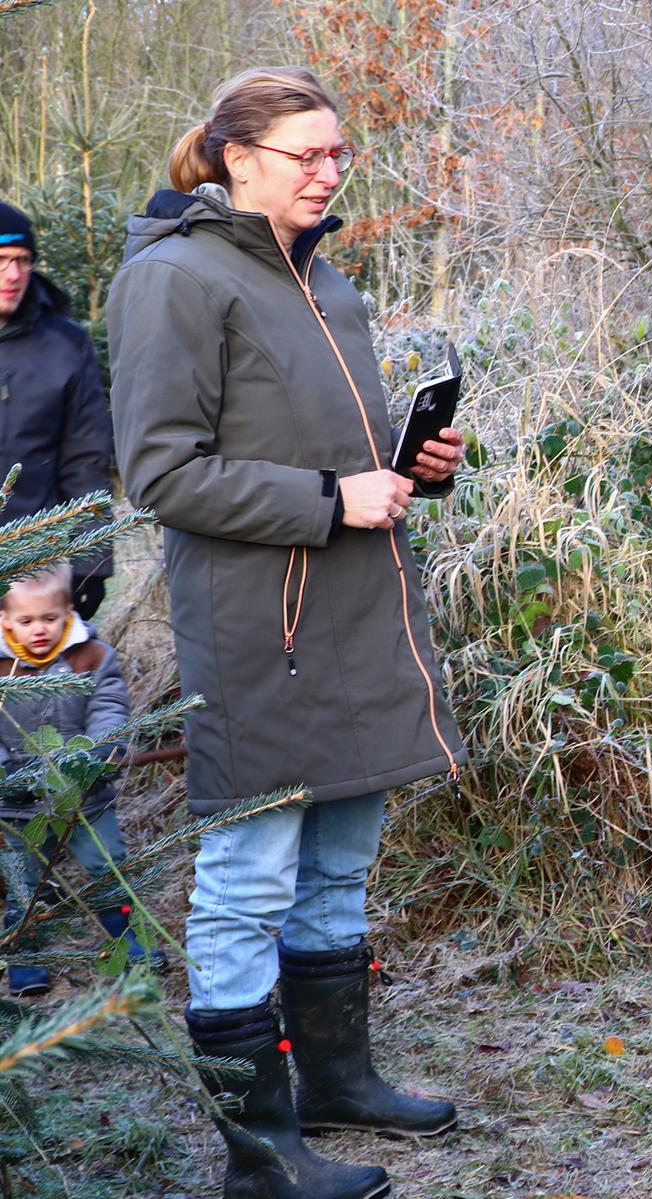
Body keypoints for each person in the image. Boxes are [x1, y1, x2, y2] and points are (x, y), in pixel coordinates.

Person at [108, 67, 468, 1199]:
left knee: (340, 868)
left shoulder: (330, 284)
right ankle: (260, 1156)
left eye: (338, 154)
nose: (329, 172)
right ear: (234, 157)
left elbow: (330, 447)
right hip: (260, 632)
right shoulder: (174, 277)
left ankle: (337, 1082)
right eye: (306, 153)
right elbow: (162, 473)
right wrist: (331, 497)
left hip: (361, 615)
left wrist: (413, 470)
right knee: (249, 880)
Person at [0, 565, 160, 996]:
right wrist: (7, 773)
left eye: (49, 619)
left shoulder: (90, 656)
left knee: (106, 865)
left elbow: (109, 706)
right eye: (26, 621)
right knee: (25, 879)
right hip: (20, 802)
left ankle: (132, 939)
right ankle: (28, 955)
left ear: (68, 611)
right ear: (4, 621)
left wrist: (95, 756)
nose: (39, 630)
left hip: (85, 797)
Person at [0, 203, 115, 619]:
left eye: (23, 261)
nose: (13, 275)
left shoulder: (65, 345)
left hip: (34, 570)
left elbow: (85, 459)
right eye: (1, 261)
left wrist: (91, 562)